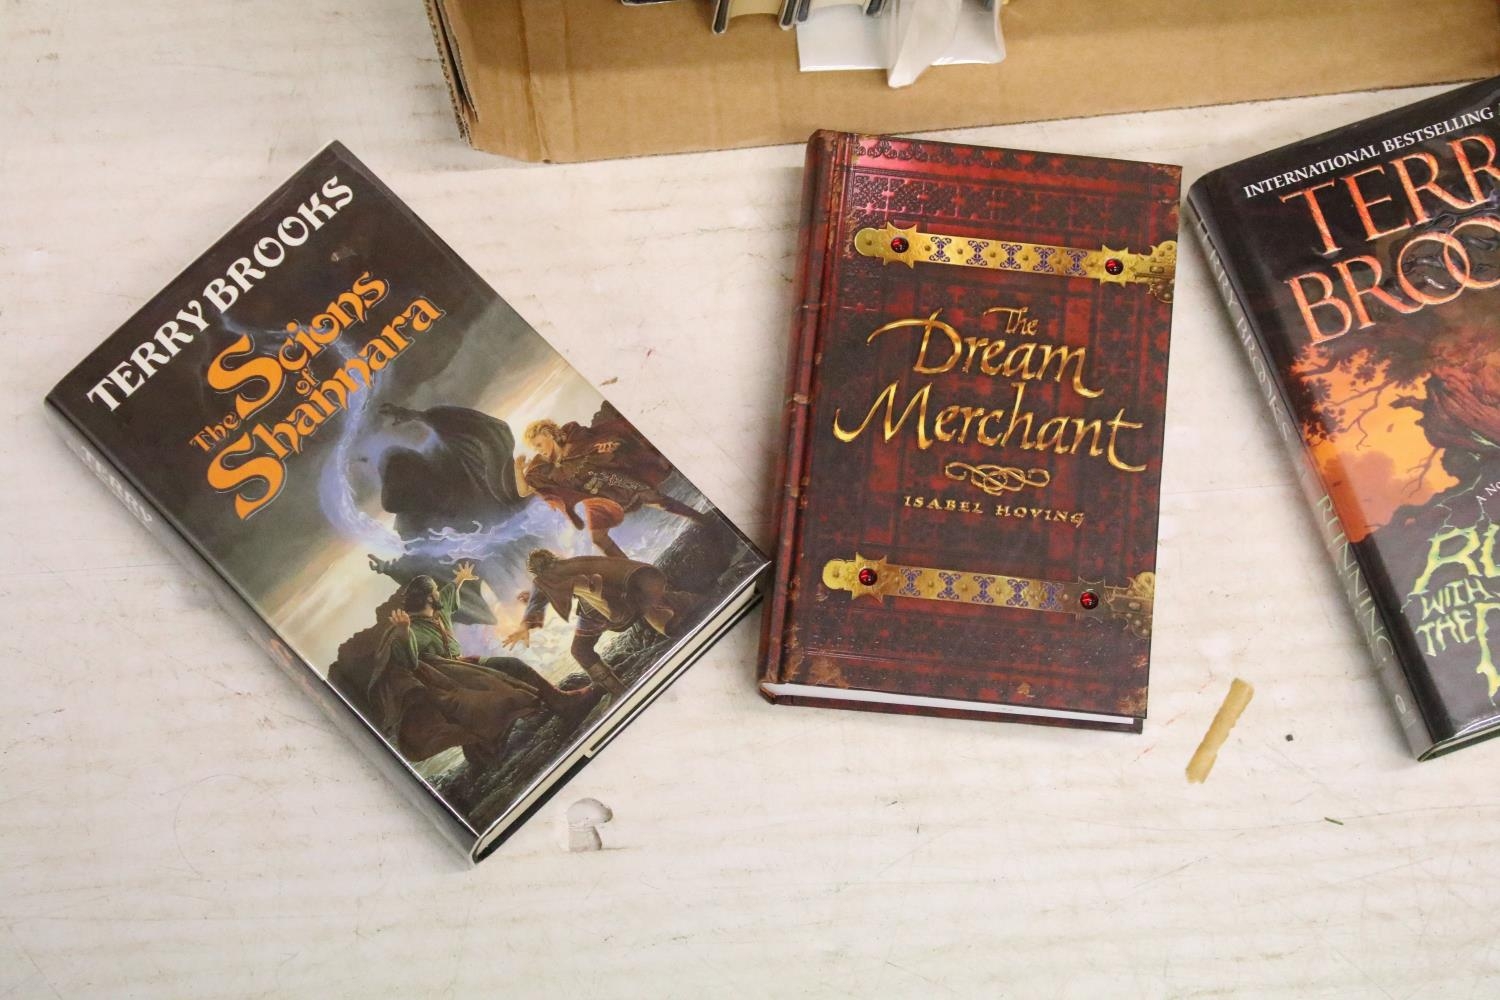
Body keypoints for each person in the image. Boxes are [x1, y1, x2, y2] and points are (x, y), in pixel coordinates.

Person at [366, 560, 595, 768]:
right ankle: (557, 707)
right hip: (447, 683)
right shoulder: (415, 629)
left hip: (465, 666)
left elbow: (448, 594)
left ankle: (555, 705)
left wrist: (460, 579)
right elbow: (409, 663)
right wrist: (403, 632)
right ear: (428, 597)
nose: (438, 593)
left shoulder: (437, 610)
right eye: (434, 590)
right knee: (489, 702)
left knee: (510, 667)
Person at [514, 407, 711, 559]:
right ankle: (634, 573)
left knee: (657, 500)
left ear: (549, 435)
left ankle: (705, 521)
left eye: (539, 444)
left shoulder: (576, 439)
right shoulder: (545, 469)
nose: (539, 450)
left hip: (610, 480)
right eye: (535, 448)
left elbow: (602, 442)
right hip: (597, 500)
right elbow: (523, 491)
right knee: (598, 538)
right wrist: (518, 469)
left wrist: (609, 446)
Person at [502, 548, 698, 697]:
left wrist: (524, 626)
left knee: (581, 650)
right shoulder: (575, 563)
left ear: (536, 572)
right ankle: (620, 694)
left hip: (613, 605)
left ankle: (619, 693)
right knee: (667, 617)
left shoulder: (545, 579)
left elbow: (540, 597)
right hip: (621, 598)